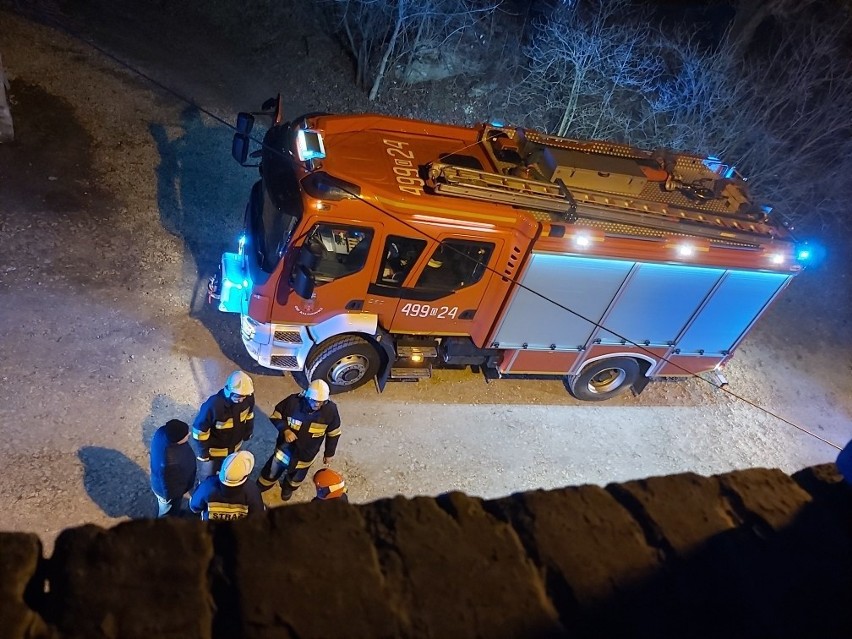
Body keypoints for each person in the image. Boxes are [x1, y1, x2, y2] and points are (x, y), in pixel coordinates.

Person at [257, 379, 342, 501]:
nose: (317, 405)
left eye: (321, 402)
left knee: (296, 478)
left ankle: (288, 488)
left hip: (306, 455)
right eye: (314, 401)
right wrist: (285, 430)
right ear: (307, 396)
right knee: (271, 471)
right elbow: (275, 417)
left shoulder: (331, 410)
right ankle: (263, 486)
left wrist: (329, 453)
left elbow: (334, 433)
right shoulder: (293, 402)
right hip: (284, 450)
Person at [191, 370, 255, 484]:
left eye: (244, 396)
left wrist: (248, 432)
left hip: (234, 448)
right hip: (214, 453)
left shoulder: (248, 399)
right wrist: (204, 453)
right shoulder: (214, 405)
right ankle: (204, 491)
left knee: (229, 474)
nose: (241, 400)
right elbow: (199, 432)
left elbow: (249, 415)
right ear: (229, 391)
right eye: (238, 396)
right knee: (207, 477)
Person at [189, 450, 265, 521]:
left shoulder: (208, 485)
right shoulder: (252, 490)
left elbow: (194, 507)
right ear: (245, 476)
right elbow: (257, 514)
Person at [149, 419, 196, 517]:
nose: (189, 434)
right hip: (167, 493)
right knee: (168, 512)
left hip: (158, 482)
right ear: (177, 440)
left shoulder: (162, 433)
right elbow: (170, 486)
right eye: (186, 435)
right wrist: (172, 497)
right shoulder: (170, 461)